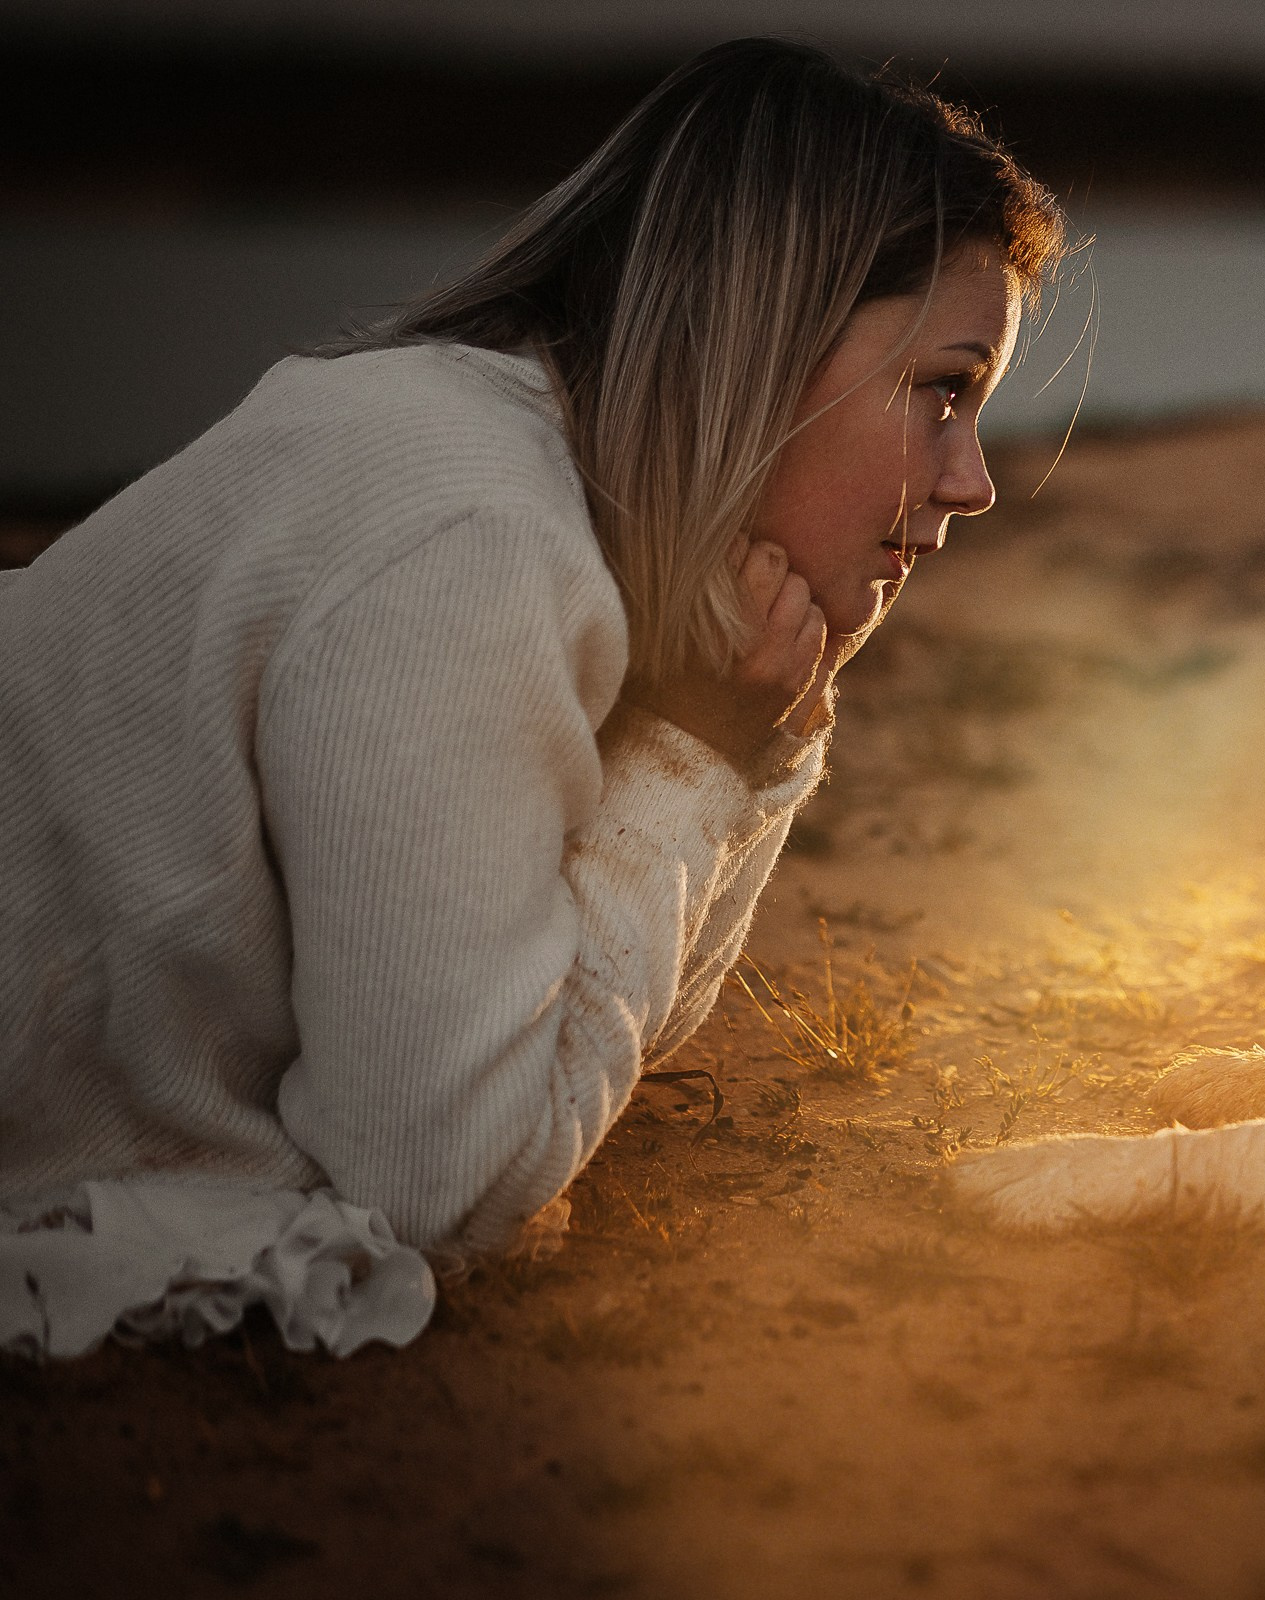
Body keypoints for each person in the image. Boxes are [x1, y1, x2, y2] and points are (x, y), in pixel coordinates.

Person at [0, 38, 1064, 1358]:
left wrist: (751, 733)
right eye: (942, 391)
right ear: (767, 334)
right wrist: (694, 757)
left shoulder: (524, 485)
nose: (972, 482)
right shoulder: (473, 534)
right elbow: (445, 1186)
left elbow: (616, 1034)